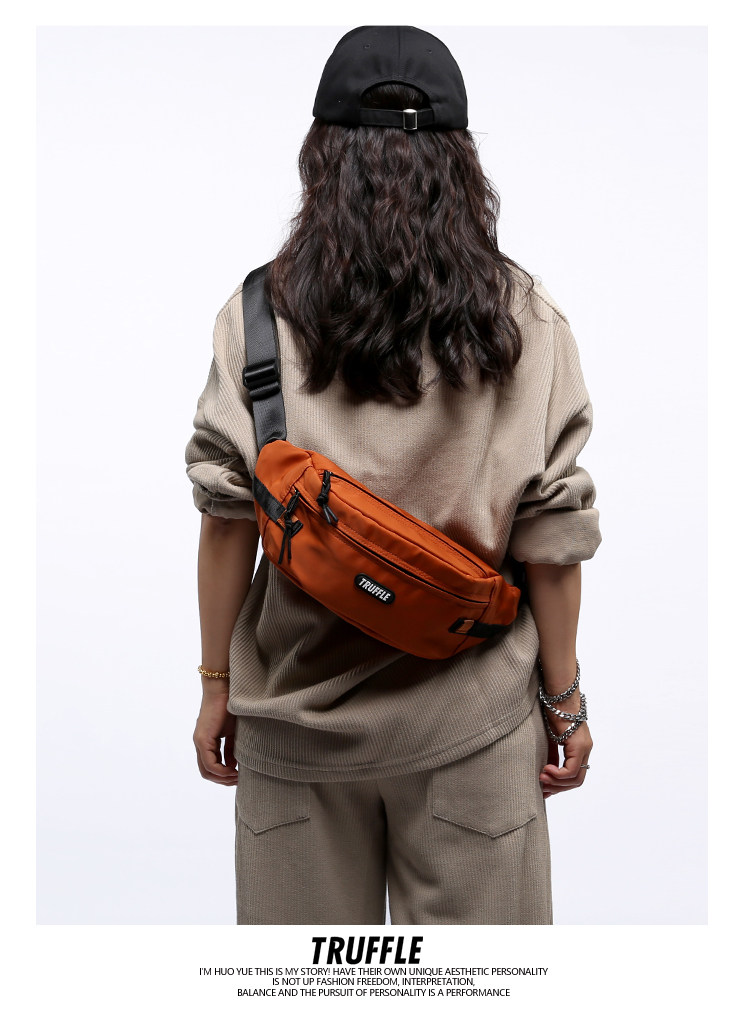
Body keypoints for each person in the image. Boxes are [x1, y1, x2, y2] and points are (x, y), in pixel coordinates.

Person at [184, 25, 602, 926]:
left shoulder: (256, 319)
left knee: (304, 985)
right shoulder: (526, 320)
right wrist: (564, 704)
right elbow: (553, 537)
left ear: (320, 156)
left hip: (293, 728)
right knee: (483, 988)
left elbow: (225, 518)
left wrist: (217, 685)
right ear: (461, 164)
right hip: (473, 727)